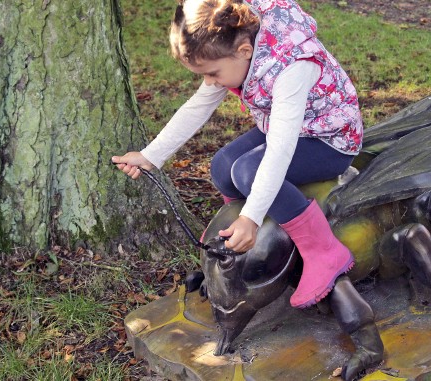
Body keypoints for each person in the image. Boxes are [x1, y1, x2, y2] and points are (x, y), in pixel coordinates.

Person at [112, 0, 364, 309]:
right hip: (285, 126)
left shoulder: (291, 67)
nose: (209, 82)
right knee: (222, 167)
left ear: (244, 51)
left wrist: (252, 218)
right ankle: (247, 241)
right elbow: (199, 105)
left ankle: (323, 251)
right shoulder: (232, 46)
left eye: (213, 74)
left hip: (330, 140)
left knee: (248, 171)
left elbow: (280, 152)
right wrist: (152, 156)